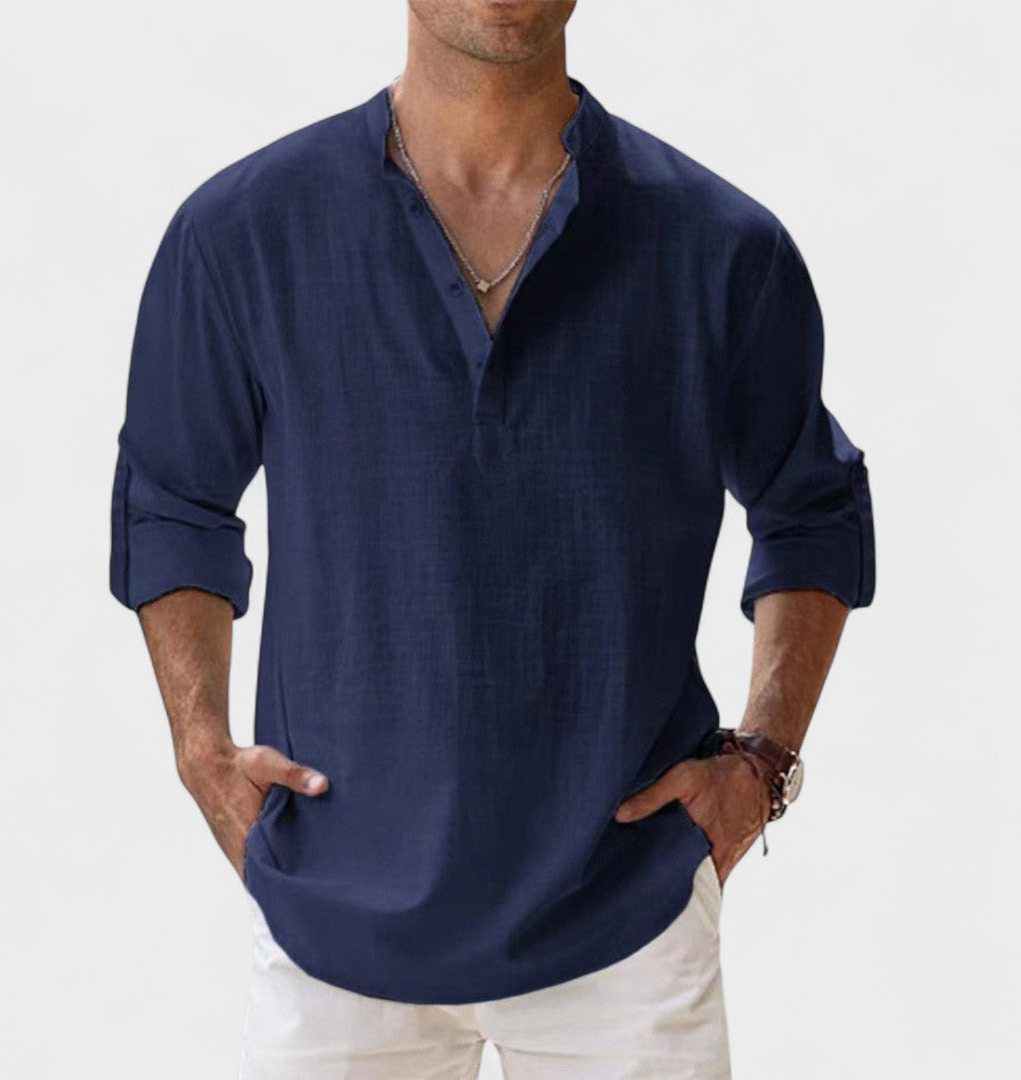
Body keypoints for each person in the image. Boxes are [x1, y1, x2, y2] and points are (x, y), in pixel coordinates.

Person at [108, 2, 876, 1076]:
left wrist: (764, 762)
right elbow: (172, 499)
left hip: (627, 921)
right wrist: (202, 752)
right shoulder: (245, 233)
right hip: (332, 918)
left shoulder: (720, 247)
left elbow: (812, 510)